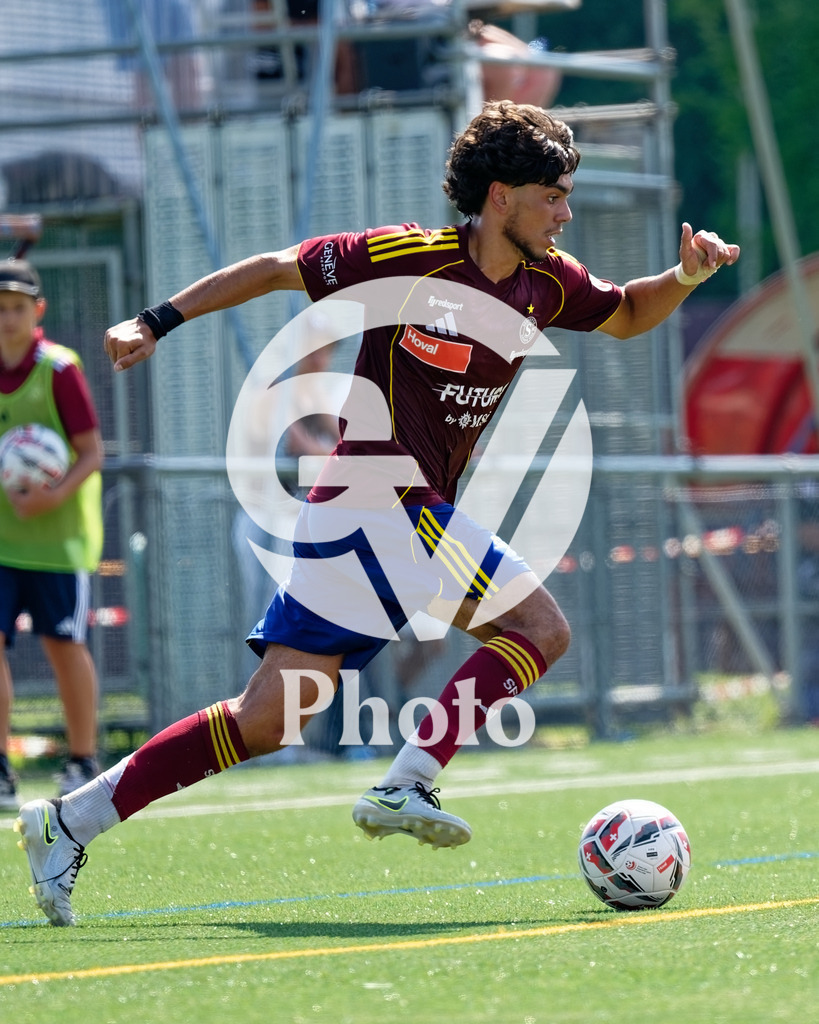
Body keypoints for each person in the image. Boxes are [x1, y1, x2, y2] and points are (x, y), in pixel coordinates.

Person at [14, 100, 740, 926]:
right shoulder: (412, 257)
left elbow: (628, 314)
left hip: (379, 516)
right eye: (553, 196)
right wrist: (154, 320)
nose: (565, 213)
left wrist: (685, 277)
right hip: (376, 497)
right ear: (500, 195)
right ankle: (408, 778)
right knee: (540, 630)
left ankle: (69, 820)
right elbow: (276, 267)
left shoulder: (547, 281)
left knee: (269, 718)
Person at [0, 259, 104, 812]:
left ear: (37, 311)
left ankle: (82, 760)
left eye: (17, 307)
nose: (7, 318)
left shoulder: (59, 369)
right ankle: (1, 765)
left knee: (64, 646)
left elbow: (92, 454)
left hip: (58, 541)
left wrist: (50, 496)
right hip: (1, 540)